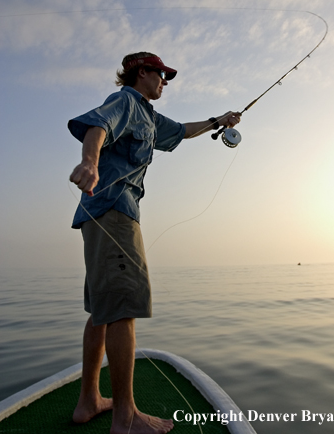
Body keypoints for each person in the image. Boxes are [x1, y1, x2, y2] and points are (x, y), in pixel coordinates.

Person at [68, 52, 241, 434]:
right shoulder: (125, 101)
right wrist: (90, 162)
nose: (165, 81)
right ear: (141, 73)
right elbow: (98, 127)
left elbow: (182, 131)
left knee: (102, 309)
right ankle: (126, 417)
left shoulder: (148, 116)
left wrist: (220, 120)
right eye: (162, 75)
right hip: (114, 211)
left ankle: (89, 401)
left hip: (101, 215)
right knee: (122, 307)